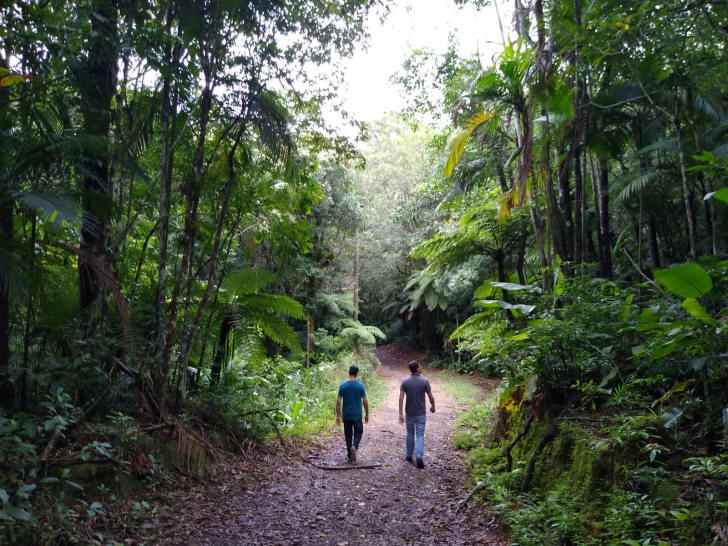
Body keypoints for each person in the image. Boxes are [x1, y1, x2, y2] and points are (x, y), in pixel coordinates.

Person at [398, 360, 435, 468]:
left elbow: (401, 398)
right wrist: (433, 406)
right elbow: (431, 397)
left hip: (409, 412)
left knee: (410, 433)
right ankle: (419, 456)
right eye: (420, 366)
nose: (421, 367)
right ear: (417, 369)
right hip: (420, 413)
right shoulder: (425, 381)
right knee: (420, 435)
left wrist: (400, 413)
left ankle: (409, 455)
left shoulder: (405, 381)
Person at [336, 365, 369, 463]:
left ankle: (350, 455)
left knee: (348, 434)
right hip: (357, 415)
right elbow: (365, 401)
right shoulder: (360, 385)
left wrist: (338, 415)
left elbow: (338, 401)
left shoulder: (343, 385)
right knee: (358, 432)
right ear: (357, 373)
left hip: (346, 415)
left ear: (349, 373)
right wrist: (367, 414)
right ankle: (354, 446)